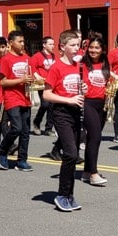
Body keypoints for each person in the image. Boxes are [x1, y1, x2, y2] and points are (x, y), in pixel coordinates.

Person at [44, 30, 85, 212]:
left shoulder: (79, 66)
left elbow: (74, 88)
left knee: (74, 155)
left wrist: (82, 88)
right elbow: (47, 94)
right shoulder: (56, 67)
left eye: (78, 45)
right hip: (61, 113)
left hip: (76, 112)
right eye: (73, 45)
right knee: (69, 153)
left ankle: (69, 195)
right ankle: (61, 194)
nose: (76, 48)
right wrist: (68, 99)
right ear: (62, 47)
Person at [0, 30, 34, 171]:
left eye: (23, 41)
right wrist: (21, 80)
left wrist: (36, 80)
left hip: (25, 97)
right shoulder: (6, 59)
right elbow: (3, 82)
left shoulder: (27, 57)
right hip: (12, 98)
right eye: (20, 41)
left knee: (25, 131)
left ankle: (22, 160)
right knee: (16, 127)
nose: (22, 44)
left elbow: (32, 75)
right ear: (11, 43)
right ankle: (2, 150)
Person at [81, 34, 110, 185]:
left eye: (96, 48)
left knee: (93, 139)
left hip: (102, 104)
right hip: (87, 103)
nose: (93, 50)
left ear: (102, 50)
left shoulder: (106, 64)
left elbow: (109, 83)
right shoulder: (83, 64)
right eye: (91, 47)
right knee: (95, 136)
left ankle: (86, 171)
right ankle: (93, 173)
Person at [31, 36, 57, 136]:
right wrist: (36, 75)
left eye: (53, 44)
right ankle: (36, 122)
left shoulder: (54, 56)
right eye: (50, 44)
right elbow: (31, 66)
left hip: (52, 84)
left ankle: (48, 128)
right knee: (45, 105)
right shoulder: (37, 56)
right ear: (44, 45)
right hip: (42, 84)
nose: (52, 46)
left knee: (52, 106)